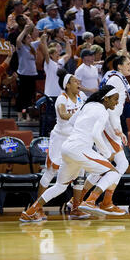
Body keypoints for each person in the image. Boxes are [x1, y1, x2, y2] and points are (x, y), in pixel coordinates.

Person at [20, 85, 120, 222]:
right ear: (106, 98)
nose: (117, 102)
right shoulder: (103, 112)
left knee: (60, 186)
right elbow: (96, 134)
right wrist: (107, 153)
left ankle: (30, 211)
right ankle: (90, 201)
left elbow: (72, 121)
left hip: (67, 147)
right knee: (113, 172)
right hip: (80, 148)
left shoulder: (87, 105)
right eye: (115, 99)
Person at [76, 55, 130, 216]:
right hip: (109, 126)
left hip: (109, 125)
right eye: (128, 64)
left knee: (105, 166)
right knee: (121, 164)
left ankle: (80, 201)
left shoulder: (115, 78)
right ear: (119, 66)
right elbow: (111, 108)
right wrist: (117, 129)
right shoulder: (117, 80)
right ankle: (97, 200)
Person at [36, 69, 89, 220]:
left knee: (80, 172)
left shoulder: (82, 97)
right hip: (60, 140)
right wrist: (81, 115)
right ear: (67, 85)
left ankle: (76, 208)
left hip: (76, 140)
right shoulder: (62, 99)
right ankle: (37, 208)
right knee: (50, 172)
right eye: (74, 81)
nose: (78, 82)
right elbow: (63, 114)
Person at [16, 23, 40, 122]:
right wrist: (25, 30)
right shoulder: (21, 48)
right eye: (28, 38)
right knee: (22, 96)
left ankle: (29, 116)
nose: (30, 39)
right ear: (25, 40)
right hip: (23, 75)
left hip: (32, 75)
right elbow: (18, 40)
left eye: (31, 37)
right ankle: (20, 115)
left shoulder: (32, 46)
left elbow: (40, 40)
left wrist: (41, 32)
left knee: (30, 97)